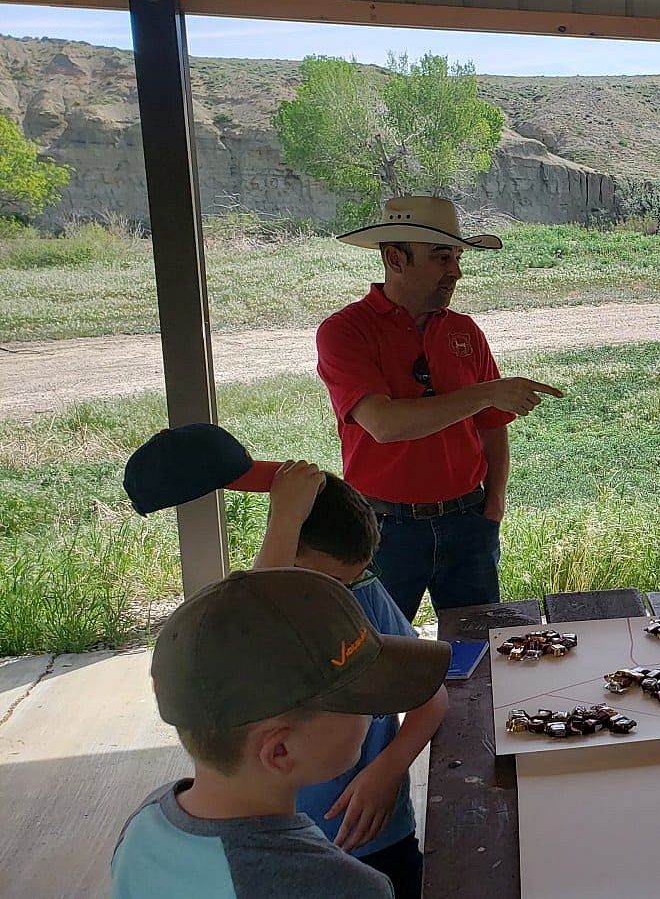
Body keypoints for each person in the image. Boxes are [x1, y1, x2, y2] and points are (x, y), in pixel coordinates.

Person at [110, 568, 450, 899]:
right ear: (280, 751)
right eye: (361, 700)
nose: (377, 711)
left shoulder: (143, 827)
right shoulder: (343, 886)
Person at [317, 195, 564, 621]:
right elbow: (384, 423)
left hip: (468, 521)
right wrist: (486, 392)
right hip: (383, 529)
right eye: (441, 257)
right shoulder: (345, 331)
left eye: (457, 257)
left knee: (481, 644)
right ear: (395, 259)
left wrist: (493, 507)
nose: (456, 271)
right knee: (378, 648)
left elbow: (492, 429)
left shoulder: (464, 331)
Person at [255, 461, 448, 899]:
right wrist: (284, 518)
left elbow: (431, 695)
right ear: (286, 550)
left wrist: (388, 770)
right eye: (332, 581)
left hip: (377, 833)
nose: (344, 593)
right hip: (289, 847)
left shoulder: (363, 592)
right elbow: (259, 613)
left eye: (355, 576)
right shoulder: (249, 615)